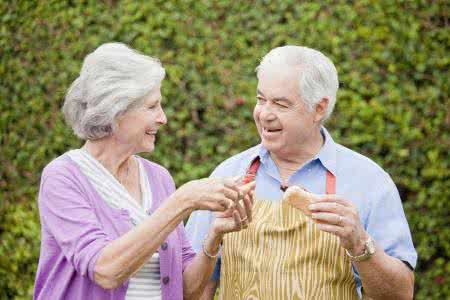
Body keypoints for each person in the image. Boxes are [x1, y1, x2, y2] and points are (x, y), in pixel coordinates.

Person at [186, 46, 417, 300]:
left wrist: (360, 244)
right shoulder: (228, 174)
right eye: (261, 99)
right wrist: (211, 241)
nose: (264, 114)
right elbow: (193, 291)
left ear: (319, 108)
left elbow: (400, 294)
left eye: (280, 104)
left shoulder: (368, 180)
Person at [33, 43, 255, 300]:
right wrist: (182, 202)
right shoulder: (64, 177)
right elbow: (105, 270)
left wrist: (214, 235)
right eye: (152, 107)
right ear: (116, 111)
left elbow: (187, 291)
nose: (163, 118)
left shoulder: (158, 177)